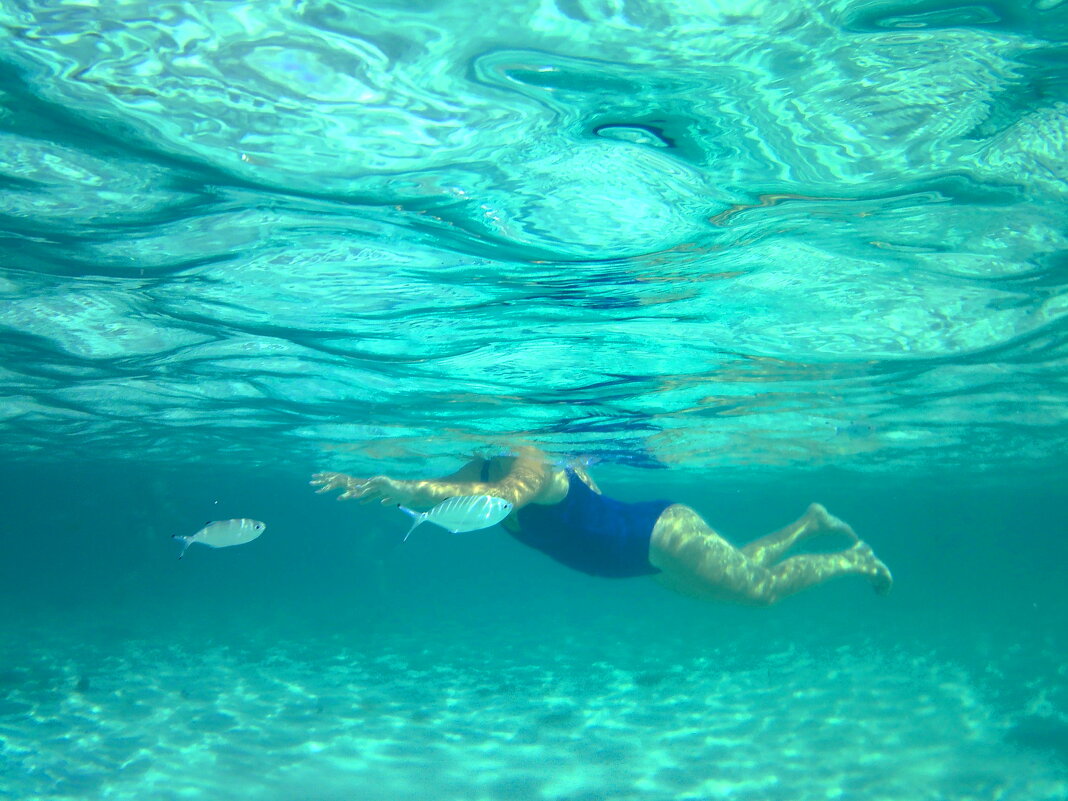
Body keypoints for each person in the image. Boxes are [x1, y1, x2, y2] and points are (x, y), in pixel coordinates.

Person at [311, 448, 892, 605]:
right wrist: (385, 493)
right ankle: (811, 522)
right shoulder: (477, 467)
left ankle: (853, 558)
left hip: (660, 535)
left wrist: (406, 489)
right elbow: (448, 497)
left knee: (759, 594)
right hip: (639, 561)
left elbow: (498, 496)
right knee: (742, 576)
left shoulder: (529, 464)